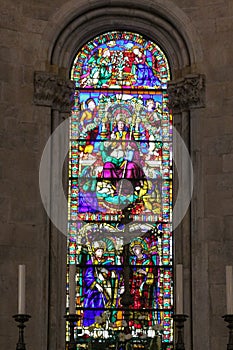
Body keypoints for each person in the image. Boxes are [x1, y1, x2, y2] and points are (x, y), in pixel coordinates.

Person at [83, 241, 115, 327]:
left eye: (101, 251)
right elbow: (88, 276)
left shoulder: (107, 262)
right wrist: (96, 285)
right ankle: (91, 325)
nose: (100, 253)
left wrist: (106, 272)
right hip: (93, 290)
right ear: (94, 252)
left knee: (105, 303)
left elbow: (112, 273)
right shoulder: (91, 262)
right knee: (92, 304)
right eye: (98, 251)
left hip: (105, 287)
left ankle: (103, 324)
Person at [129, 238, 154, 311]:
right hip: (133, 284)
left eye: (137, 248)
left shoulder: (148, 261)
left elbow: (152, 274)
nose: (135, 250)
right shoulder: (132, 261)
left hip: (143, 283)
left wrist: (144, 272)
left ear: (141, 249)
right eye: (133, 248)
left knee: (142, 301)